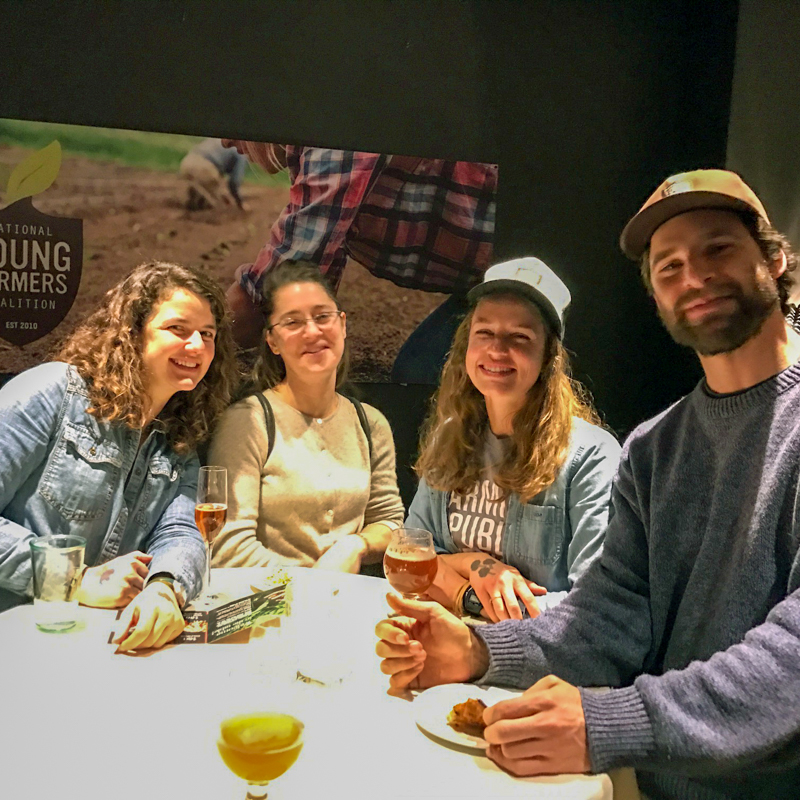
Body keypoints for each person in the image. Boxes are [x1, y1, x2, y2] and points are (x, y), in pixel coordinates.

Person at [375, 169, 800, 799]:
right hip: (653, 784)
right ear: (655, 296)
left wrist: (613, 721)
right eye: (668, 266)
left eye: (718, 249)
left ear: (774, 258)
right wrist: (479, 650)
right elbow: (609, 616)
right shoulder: (656, 447)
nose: (694, 276)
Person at [0, 261, 238, 651]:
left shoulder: (178, 435)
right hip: (16, 635)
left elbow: (182, 531)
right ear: (133, 333)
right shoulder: (53, 392)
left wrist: (164, 588)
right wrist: (74, 578)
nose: (197, 346)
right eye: (177, 329)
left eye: (207, 334)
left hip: (95, 643)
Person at [407, 257, 620, 621]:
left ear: (549, 356)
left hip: (532, 660)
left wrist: (464, 595)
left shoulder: (592, 457)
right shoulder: (449, 437)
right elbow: (411, 556)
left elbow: (594, 608)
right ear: (466, 345)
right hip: (438, 636)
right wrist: (478, 565)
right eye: (485, 332)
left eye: (519, 337)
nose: (496, 350)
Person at [220, 140, 497, 383]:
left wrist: (198, 340)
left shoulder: (332, 138)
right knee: (419, 369)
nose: (224, 142)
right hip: (491, 276)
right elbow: (314, 277)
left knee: (424, 378)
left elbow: (272, 295)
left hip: (529, 260)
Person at [208, 259, 404, 572]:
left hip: (342, 601)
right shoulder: (249, 422)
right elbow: (228, 548)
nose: (312, 332)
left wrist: (356, 545)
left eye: (322, 316)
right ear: (272, 340)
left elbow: (389, 522)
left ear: (342, 324)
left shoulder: (371, 423)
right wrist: (315, 583)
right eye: (293, 322)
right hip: (266, 609)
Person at [179, 138, 249, 211]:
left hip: (187, 162)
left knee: (208, 187)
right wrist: (240, 203)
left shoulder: (221, 139)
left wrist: (221, 193)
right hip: (204, 168)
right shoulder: (241, 153)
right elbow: (234, 183)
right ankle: (200, 201)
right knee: (217, 205)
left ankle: (194, 194)